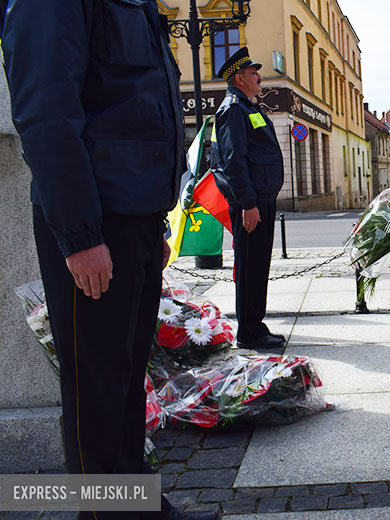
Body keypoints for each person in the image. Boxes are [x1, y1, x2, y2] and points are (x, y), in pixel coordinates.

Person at [2, 2, 214, 519]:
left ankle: (139, 506)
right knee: (95, 388)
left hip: (134, 219)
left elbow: (137, 109)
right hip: (95, 223)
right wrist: (79, 237)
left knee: (123, 379)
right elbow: (47, 115)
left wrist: (155, 224)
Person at [211, 47, 285, 351]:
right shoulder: (233, 110)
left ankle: (255, 324)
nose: (259, 77)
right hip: (251, 202)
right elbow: (233, 161)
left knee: (258, 266)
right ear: (239, 78)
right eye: (254, 73)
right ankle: (249, 331)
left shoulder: (249, 107)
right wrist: (247, 203)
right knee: (250, 267)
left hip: (261, 199)